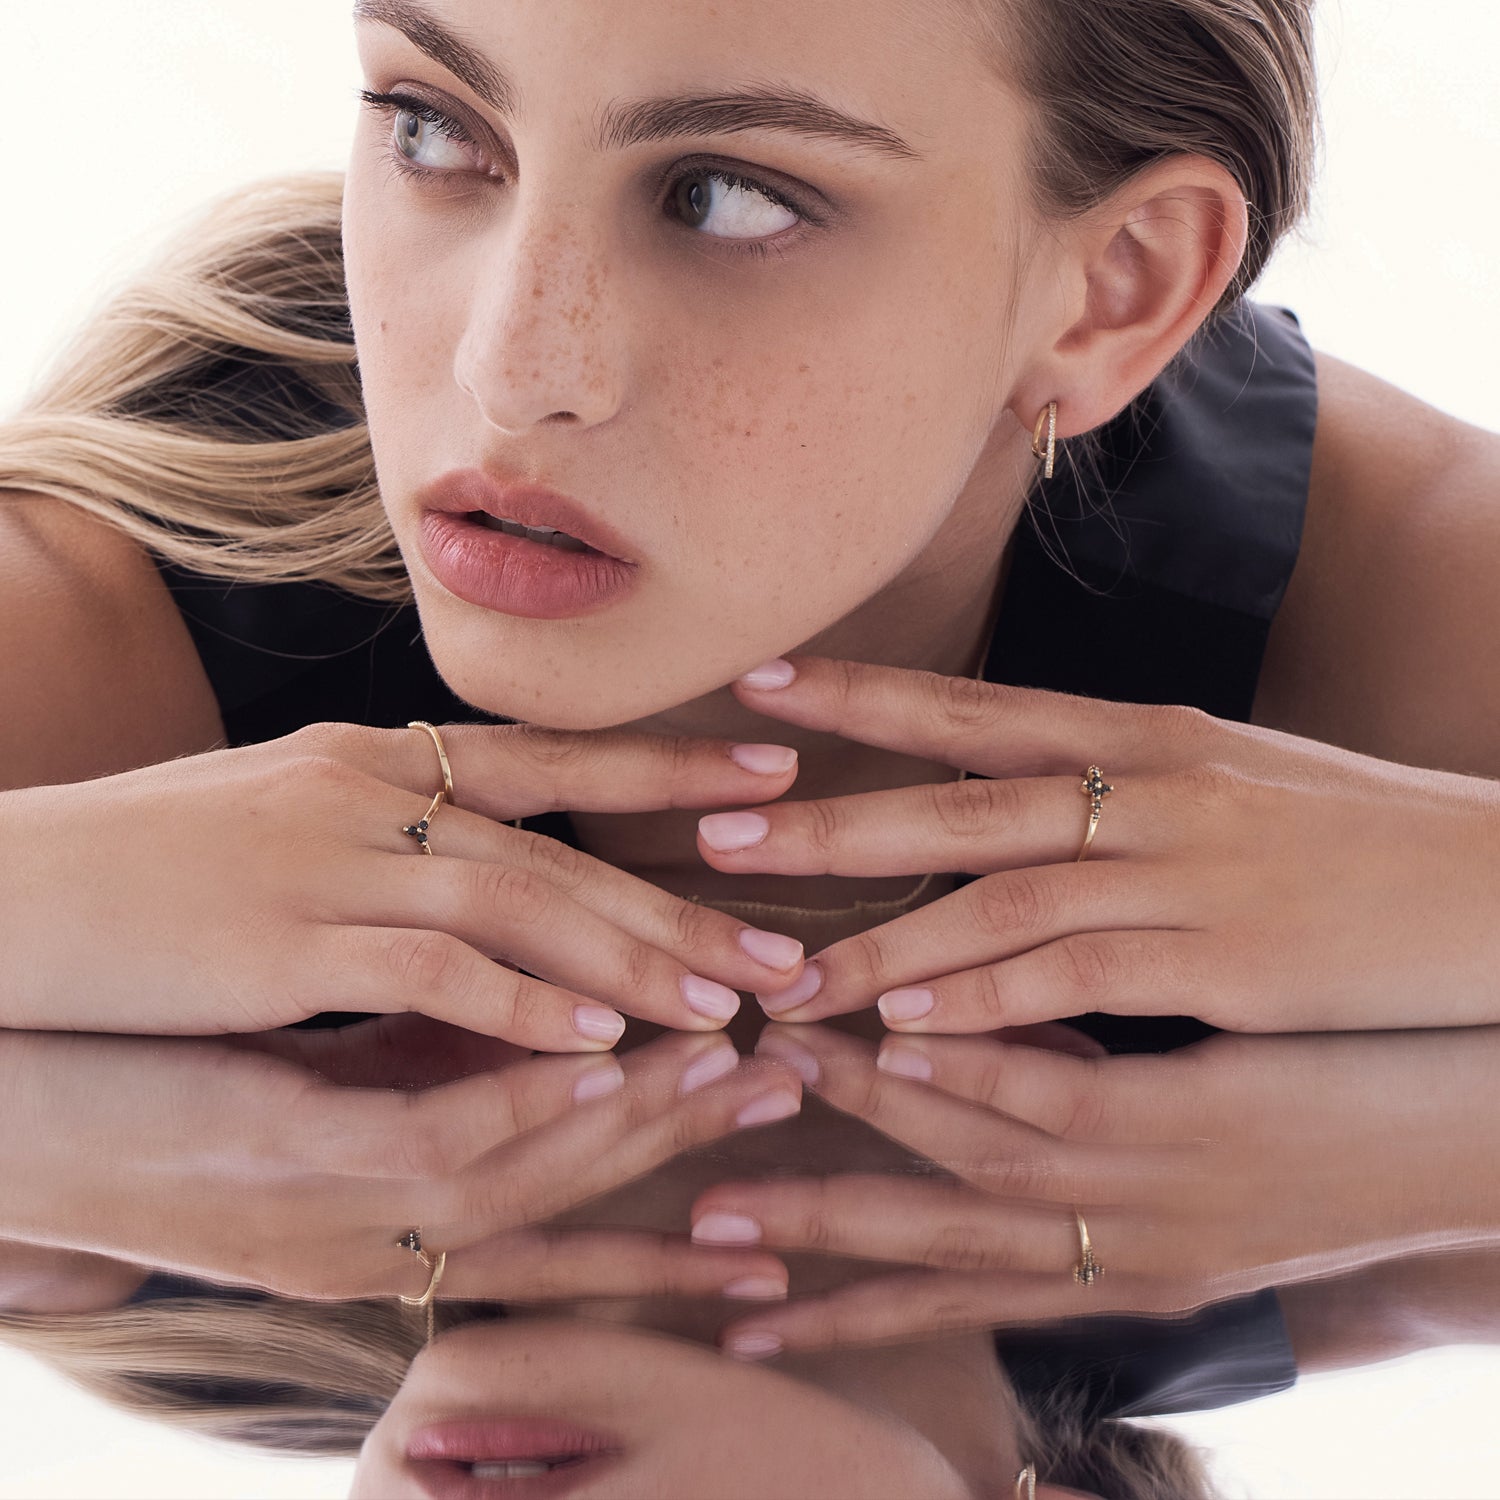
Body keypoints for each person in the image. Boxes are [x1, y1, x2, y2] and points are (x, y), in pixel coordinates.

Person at [0, 0, 1498, 1493]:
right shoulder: (148, 602)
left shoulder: (1399, 618)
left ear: (1113, 288)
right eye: (433, 126)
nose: (512, 368)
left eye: (727, 196)